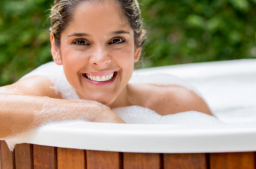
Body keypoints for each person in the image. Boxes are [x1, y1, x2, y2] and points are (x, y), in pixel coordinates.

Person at [0, 0, 212, 139]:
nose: (100, 60)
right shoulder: (47, 89)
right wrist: (94, 112)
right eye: (81, 42)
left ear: (137, 47)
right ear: (56, 48)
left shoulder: (180, 106)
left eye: (116, 40)